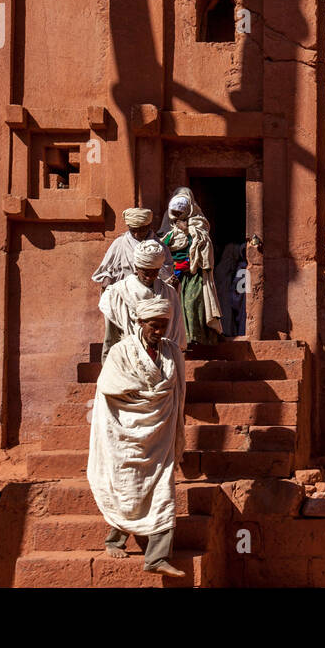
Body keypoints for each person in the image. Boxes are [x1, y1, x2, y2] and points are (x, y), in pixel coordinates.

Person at [87, 296, 186, 578]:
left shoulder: (173, 352)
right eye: (154, 325)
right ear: (140, 323)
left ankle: (157, 557)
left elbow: (178, 392)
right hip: (125, 432)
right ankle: (115, 538)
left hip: (160, 433)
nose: (160, 331)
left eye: (164, 325)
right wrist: (146, 397)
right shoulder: (121, 351)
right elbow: (109, 387)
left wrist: (174, 419)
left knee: (162, 489)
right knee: (126, 484)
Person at [159, 187, 222, 345]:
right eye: (176, 212)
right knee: (174, 306)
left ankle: (197, 338)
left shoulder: (198, 223)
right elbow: (162, 246)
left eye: (182, 211)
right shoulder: (169, 224)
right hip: (174, 274)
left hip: (195, 273)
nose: (178, 215)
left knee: (193, 303)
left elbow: (204, 243)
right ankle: (178, 340)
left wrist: (188, 230)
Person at [98, 240, 182, 356]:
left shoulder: (169, 292)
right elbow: (110, 339)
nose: (149, 277)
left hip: (163, 357)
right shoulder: (118, 292)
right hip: (129, 357)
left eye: (154, 272)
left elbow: (175, 333)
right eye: (145, 272)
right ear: (136, 267)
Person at [91, 207, 171, 288]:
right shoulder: (119, 244)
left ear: (149, 226)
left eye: (141, 230)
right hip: (124, 293)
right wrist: (106, 278)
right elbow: (104, 270)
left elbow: (168, 274)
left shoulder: (160, 247)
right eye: (133, 230)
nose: (137, 234)